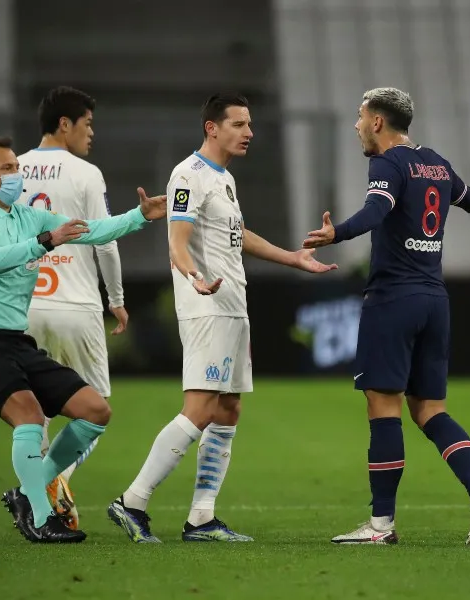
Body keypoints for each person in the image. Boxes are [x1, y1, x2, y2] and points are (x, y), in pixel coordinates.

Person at [108, 93, 337, 543]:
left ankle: (201, 518)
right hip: (206, 306)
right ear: (212, 128)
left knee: (229, 408)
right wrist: (193, 276)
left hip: (232, 306)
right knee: (199, 410)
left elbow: (236, 235)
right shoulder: (188, 175)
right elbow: (177, 240)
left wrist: (292, 259)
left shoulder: (224, 179)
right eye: (239, 124)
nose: (249, 132)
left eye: (249, 124)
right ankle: (131, 501)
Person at [303, 87, 470, 545]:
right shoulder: (435, 162)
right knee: (430, 410)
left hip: (392, 300)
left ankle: (380, 526)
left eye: (361, 118)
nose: (357, 126)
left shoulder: (386, 162)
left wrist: (335, 233)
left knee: (384, 409)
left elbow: (376, 209)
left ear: (378, 122)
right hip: (434, 302)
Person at [0, 136, 166, 543]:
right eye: (8, 169)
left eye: (17, 166)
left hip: (17, 342)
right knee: (29, 418)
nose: (19, 174)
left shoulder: (29, 217)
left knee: (95, 411)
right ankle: (39, 516)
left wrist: (140, 216)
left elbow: (91, 230)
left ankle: (26, 494)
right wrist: (47, 242)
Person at [17, 86, 127, 530]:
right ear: (65, 124)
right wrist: (116, 300)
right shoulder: (86, 173)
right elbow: (105, 240)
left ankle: (41, 506)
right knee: (95, 409)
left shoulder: (12, 168)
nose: (92, 133)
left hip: (24, 308)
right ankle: (48, 485)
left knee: (32, 412)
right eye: (88, 124)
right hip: (76, 306)